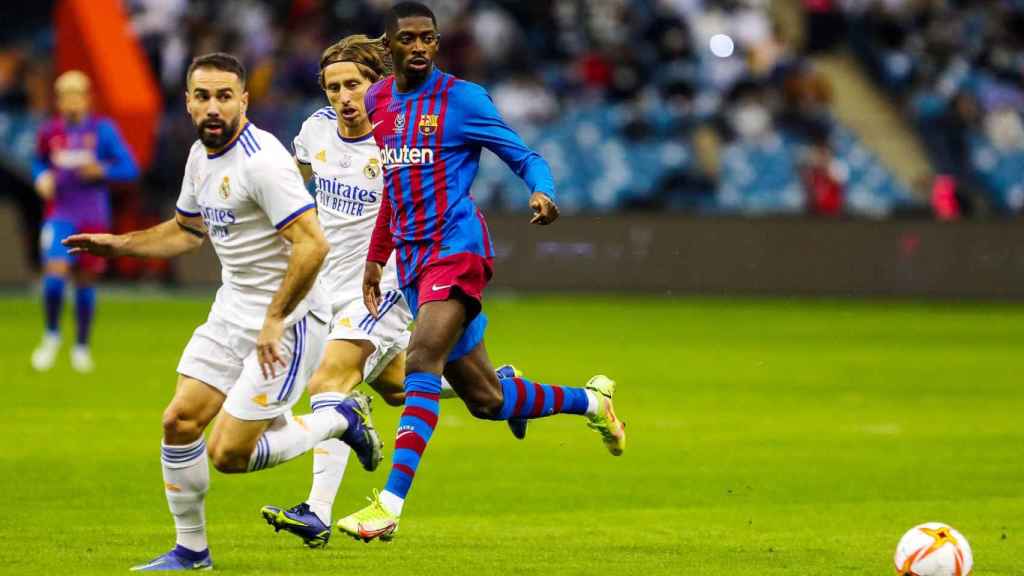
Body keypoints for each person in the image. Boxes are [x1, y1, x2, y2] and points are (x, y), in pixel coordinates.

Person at [63, 53, 383, 571]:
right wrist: (119, 245)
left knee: (229, 455)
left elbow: (312, 245)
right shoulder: (199, 156)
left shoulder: (263, 162)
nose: (214, 107)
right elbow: (187, 230)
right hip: (231, 311)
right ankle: (192, 552)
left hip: (291, 321)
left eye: (224, 96)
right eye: (203, 96)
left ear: (243, 100)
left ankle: (338, 419)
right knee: (179, 421)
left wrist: (276, 318)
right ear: (189, 102)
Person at [335, 2, 627, 543]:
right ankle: (593, 401)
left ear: (438, 44)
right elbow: (393, 191)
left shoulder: (462, 100)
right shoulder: (378, 101)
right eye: (408, 39)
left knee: (421, 358)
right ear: (391, 45)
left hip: (459, 249)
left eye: (429, 38)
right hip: (415, 262)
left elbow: (524, 155)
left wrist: (544, 189)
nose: (419, 47)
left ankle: (389, 506)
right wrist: (376, 257)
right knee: (488, 400)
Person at [258, 34, 526, 549]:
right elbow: (298, 191)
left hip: (382, 284)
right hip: (326, 284)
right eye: (333, 87)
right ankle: (501, 387)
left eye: (353, 84)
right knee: (398, 387)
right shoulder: (314, 131)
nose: (343, 96)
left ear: (376, 84)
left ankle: (316, 512)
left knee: (329, 380)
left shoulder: (397, 141)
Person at [30, 70, 139, 373]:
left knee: (84, 282)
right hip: (60, 214)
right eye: (65, 95)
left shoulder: (103, 131)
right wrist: (41, 177)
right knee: (54, 277)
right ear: (58, 100)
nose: (71, 101)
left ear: (88, 97)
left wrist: (102, 171)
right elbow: (38, 160)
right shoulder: (50, 131)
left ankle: (81, 346)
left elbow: (129, 168)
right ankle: (51, 335)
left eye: (76, 94)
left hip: (93, 216)